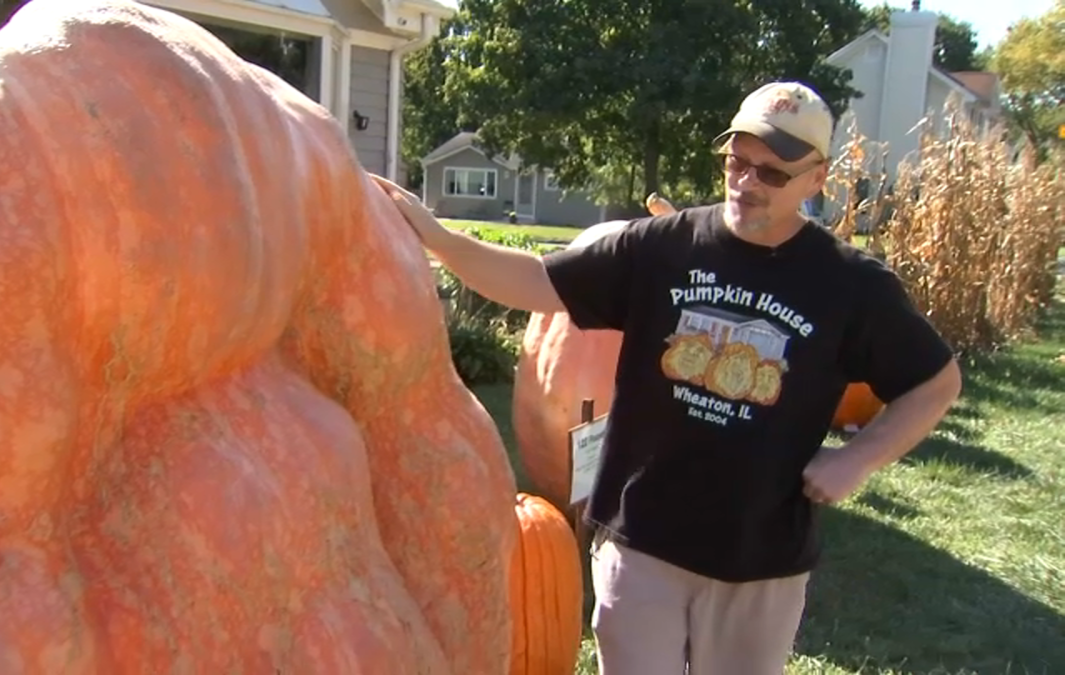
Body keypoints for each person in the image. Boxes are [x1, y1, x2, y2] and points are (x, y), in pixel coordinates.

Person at [372, 81, 961, 674]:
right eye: (737, 162)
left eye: (772, 174)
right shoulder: (662, 248)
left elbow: (935, 383)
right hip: (641, 541)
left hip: (758, 558)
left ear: (817, 178)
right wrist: (440, 240)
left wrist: (856, 459)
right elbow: (534, 281)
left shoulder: (849, 285)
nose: (747, 183)